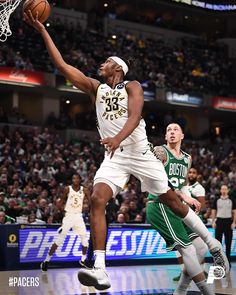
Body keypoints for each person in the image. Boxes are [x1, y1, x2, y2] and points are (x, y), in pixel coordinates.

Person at [24, 12, 229, 290]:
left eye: (107, 62)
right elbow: (62, 64)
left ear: (118, 69)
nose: (101, 64)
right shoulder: (95, 88)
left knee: (171, 200)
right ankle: (100, 269)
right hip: (115, 157)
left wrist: (116, 137)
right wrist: (41, 30)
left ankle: (211, 242)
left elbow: (134, 118)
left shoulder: (131, 86)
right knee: (97, 199)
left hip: (140, 152)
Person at [147, 124, 212, 295]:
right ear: (165, 136)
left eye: (175, 130)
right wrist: (185, 197)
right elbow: (160, 183)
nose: (172, 132)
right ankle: (207, 292)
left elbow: (182, 185)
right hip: (161, 204)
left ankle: (180, 291)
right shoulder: (160, 152)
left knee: (201, 249)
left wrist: (186, 196)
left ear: (182, 135)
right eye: (168, 130)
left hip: (178, 206)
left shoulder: (187, 158)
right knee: (188, 250)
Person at [40, 173, 90, 271]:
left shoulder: (85, 190)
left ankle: (83, 260)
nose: (75, 180)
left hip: (79, 216)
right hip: (69, 215)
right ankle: (46, 261)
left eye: (76, 178)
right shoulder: (68, 189)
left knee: (84, 239)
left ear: (80, 180)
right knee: (60, 239)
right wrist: (52, 215)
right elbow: (61, 201)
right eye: (73, 178)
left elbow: (91, 202)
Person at [173, 167, 207, 281]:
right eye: (190, 172)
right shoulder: (181, 187)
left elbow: (203, 206)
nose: (191, 174)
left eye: (193, 172)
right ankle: (184, 271)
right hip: (180, 219)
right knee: (179, 247)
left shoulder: (199, 188)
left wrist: (194, 214)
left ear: (197, 175)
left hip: (193, 220)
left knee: (199, 247)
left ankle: (202, 270)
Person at [211, 184, 236, 267]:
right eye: (222, 189)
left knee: (228, 243)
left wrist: (234, 222)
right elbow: (213, 211)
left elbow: (234, 212)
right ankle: (219, 262)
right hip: (219, 222)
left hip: (228, 222)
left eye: (225, 189)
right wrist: (213, 221)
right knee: (218, 244)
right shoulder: (216, 200)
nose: (224, 191)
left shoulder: (232, 200)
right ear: (220, 190)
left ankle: (228, 262)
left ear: (227, 190)